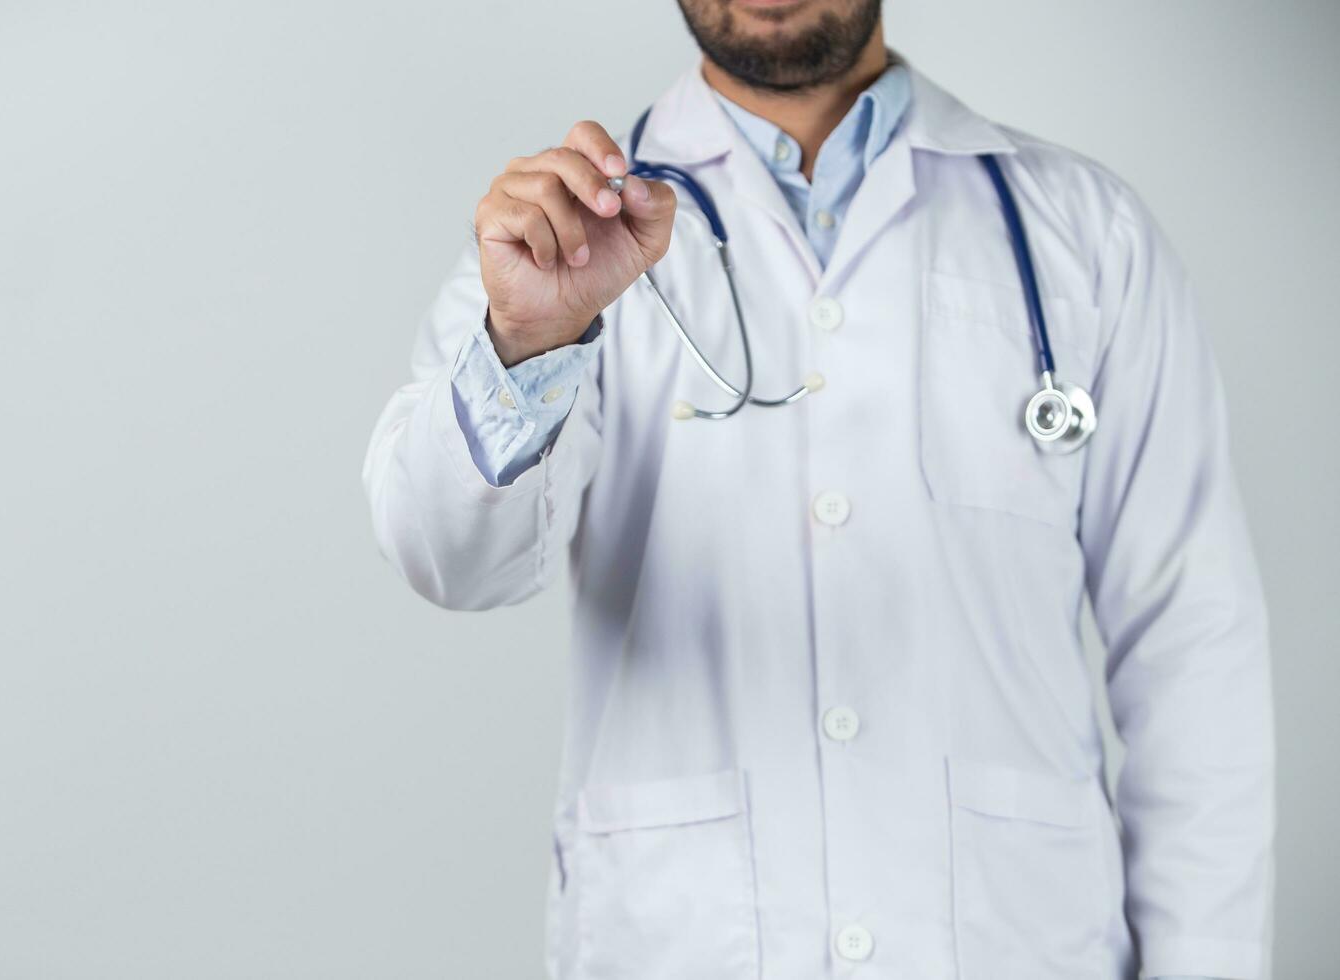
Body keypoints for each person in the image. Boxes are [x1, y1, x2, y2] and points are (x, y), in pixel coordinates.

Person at [361, 1, 1273, 977]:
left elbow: (1190, 647)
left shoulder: (1084, 234)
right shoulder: (556, 237)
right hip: (684, 937)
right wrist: (533, 346)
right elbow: (449, 557)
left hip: (1015, 941)